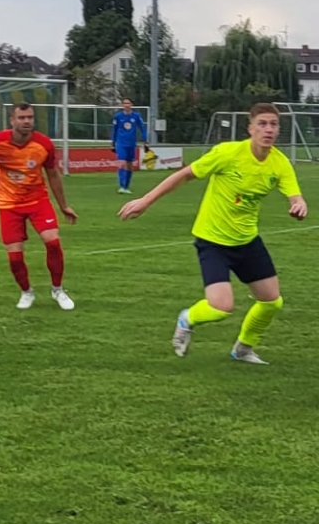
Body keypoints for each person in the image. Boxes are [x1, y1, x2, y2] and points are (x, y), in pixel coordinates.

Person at [117, 101, 306, 364]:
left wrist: (299, 205)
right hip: (213, 240)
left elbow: (295, 196)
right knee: (220, 307)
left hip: (247, 240)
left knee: (272, 301)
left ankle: (243, 349)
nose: (268, 129)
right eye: (262, 124)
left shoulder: (279, 163)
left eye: (273, 124)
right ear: (250, 128)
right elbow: (184, 175)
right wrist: (145, 201)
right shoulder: (227, 153)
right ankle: (187, 319)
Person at [0, 102, 77, 310]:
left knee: (53, 243)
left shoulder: (43, 144)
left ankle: (57, 290)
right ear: (12, 120)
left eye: (30, 117)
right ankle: (26, 292)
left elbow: (53, 175)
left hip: (38, 201)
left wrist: (63, 205)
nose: (26, 121)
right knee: (15, 257)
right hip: (8, 204)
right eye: (21, 118)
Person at [111, 98, 149, 194]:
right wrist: (113, 143)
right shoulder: (118, 116)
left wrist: (145, 140)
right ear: (122, 105)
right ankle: (122, 186)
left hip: (131, 144)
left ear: (131, 104)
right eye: (124, 103)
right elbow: (114, 130)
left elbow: (142, 128)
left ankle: (126, 186)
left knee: (129, 165)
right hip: (121, 143)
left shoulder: (136, 116)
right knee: (122, 163)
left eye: (128, 103)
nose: (126, 105)